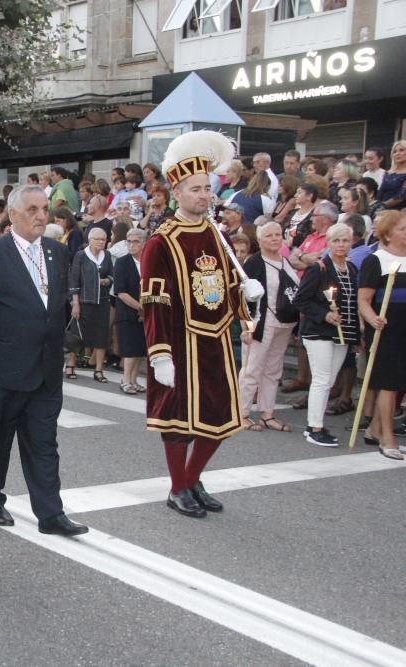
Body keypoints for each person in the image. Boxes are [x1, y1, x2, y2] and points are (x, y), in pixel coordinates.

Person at [140, 130, 261, 518]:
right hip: (179, 341)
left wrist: (246, 298)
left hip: (216, 339)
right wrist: (160, 355)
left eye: (207, 189)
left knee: (221, 419)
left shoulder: (215, 233)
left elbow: (224, 282)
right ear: (177, 192)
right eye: (195, 189)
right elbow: (155, 301)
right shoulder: (161, 242)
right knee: (178, 423)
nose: (204, 196)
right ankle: (179, 487)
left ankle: (191, 478)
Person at [0, 184, 89, 537]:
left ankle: (51, 513)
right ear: (13, 214)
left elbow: (55, 308)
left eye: (44, 209)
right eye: (31, 209)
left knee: (44, 443)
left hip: (45, 370)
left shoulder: (57, 254)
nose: (40, 216)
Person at [292, 222, 359, 447]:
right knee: (321, 380)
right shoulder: (319, 267)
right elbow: (300, 299)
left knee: (328, 380)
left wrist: (355, 337)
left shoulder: (351, 269)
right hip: (319, 331)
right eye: (336, 240)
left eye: (345, 240)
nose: (341, 245)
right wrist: (324, 315)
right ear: (328, 243)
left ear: (352, 242)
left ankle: (317, 423)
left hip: (343, 333)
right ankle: (314, 427)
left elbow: (353, 304)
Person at [238, 222, 299, 432]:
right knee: (251, 368)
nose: (274, 238)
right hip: (260, 322)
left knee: (273, 370)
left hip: (284, 322)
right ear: (260, 240)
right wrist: (246, 326)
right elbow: (244, 297)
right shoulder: (254, 263)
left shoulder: (286, 262)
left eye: (278, 234)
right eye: (269, 235)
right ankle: (242, 412)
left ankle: (267, 413)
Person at [357, 211, 406, 459]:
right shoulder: (375, 260)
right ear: (387, 233)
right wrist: (372, 317)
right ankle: (387, 438)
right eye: (402, 229)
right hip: (387, 329)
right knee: (388, 384)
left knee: (399, 384)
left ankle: (374, 429)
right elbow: (364, 300)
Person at [69, 227, 114, 383]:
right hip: (84, 300)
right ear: (90, 239)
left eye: (104, 239)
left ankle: (98, 369)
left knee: (102, 336)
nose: (102, 242)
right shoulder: (81, 255)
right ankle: (71, 365)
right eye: (98, 239)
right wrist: (75, 303)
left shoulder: (107, 255)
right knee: (78, 335)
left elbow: (111, 274)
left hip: (102, 300)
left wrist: (108, 280)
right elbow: (74, 279)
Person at [114, 229, 146, 394]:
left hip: (145, 314)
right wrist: (141, 308)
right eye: (129, 241)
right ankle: (125, 380)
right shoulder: (122, 262)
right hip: (127, 312)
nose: (131, 245)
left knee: (141, 349)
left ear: (143, 243)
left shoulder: (149, 261)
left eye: (136, 241)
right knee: (130, 349)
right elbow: (121, 292)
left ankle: (134, 380)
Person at [376, 141, 406, 211]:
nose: (397, 154)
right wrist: (376, 204)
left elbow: (401, 196)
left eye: (401, 150)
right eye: (394, 152)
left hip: (400, 211)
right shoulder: (388, 172)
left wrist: (383, 205)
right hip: (382, 210)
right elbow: (381, 191)